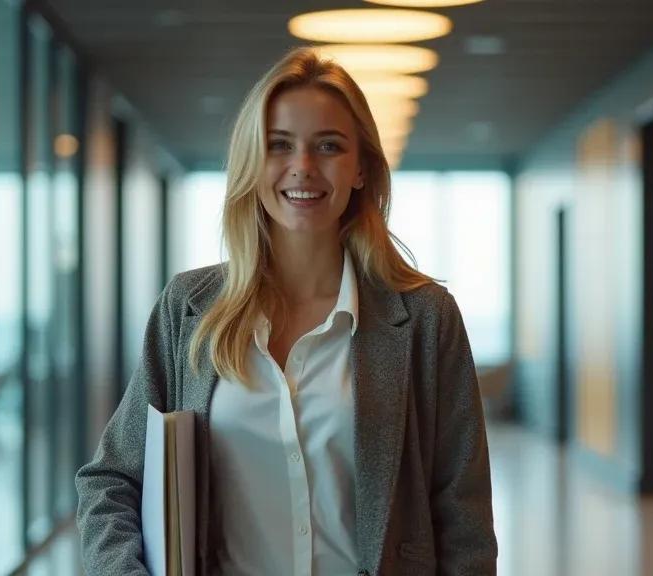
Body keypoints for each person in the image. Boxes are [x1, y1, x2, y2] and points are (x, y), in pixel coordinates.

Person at [77, 47, 498, 576]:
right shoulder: (189, 309)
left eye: (328, 146)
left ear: (361, 169)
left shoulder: (425, 319)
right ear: (253, 162)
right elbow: (112, 479)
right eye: (279, 145)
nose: (303, 167)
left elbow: (463, 516)